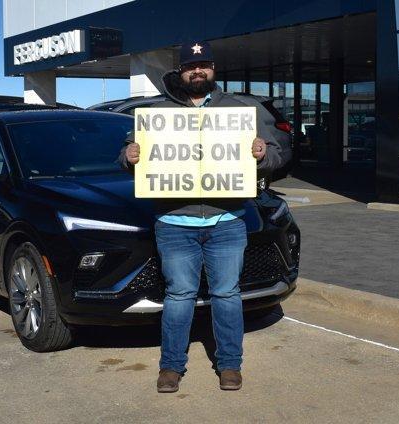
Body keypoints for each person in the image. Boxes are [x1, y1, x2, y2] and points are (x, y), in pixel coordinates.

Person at [119, 41, 285, 392]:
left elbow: (274, 156)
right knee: (179, 296)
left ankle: (229, 365)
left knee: (227, 294)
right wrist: (129, 155)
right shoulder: (159, 113)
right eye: (191, 66)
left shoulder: (240, 110)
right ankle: (171, 367)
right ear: (180, 71)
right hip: (175, 222)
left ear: (213, 70)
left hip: (227, 219)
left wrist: (261, 154)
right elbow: (129, 156)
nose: (198, 71)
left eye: (204, 65)